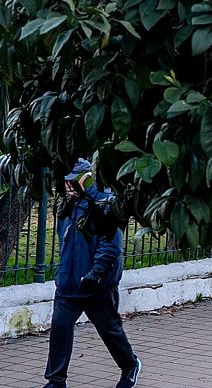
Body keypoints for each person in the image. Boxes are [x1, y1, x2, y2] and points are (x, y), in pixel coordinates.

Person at [43, 159, 141, 388]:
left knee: (110, 331)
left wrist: (95, 274)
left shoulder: (106, 205)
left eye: (71, 181)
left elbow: (111, 247)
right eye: (65, 182)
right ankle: (56, 381)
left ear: (84, 180)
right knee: (60, 329)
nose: (66, 186)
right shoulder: (67, 207)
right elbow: (65, 244)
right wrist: (63, 273)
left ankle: (130, 365)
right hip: (68, 285)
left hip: (96, 286)